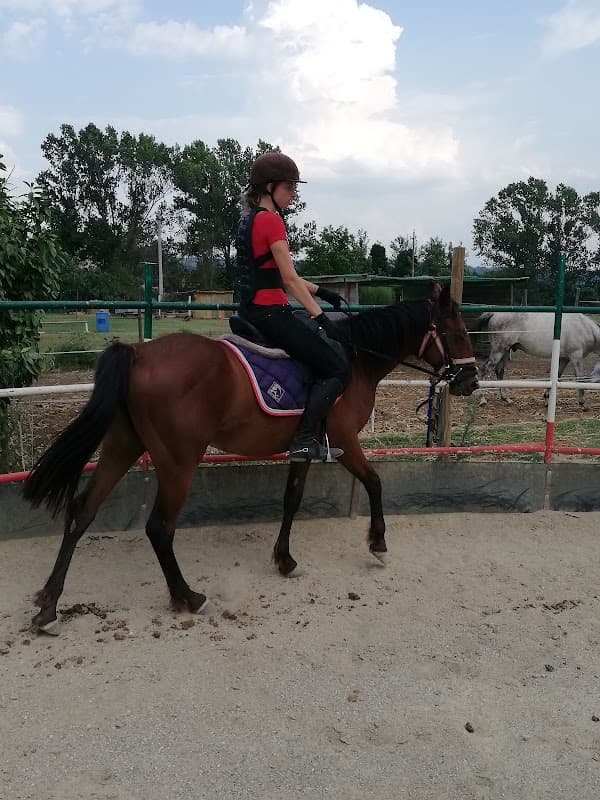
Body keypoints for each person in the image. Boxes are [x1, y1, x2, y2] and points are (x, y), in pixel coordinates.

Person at [235, 151, 350, 462]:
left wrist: (322, 292)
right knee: (337, 368)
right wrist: (321, 317)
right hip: (272, 313)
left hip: (250, 311)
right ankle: (303, 440)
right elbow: (288, 280)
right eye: (289, 187)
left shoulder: (248, 221)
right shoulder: (271, 221)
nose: (294, 194)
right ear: (269, 187)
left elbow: (278, 274)